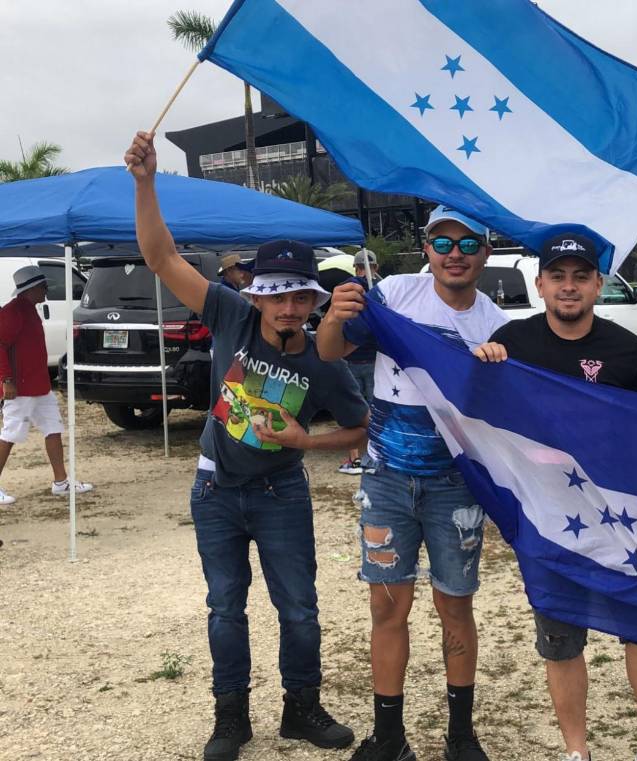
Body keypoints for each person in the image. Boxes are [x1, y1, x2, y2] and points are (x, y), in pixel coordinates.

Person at [126, 131, 369, 761]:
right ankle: (230, 717)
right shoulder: (229, 314)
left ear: (313, 300)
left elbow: (364, 429)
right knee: (225, 610)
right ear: (256, 294)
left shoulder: (324, 355)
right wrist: (145, 183)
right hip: (214, 489)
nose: (289, 306)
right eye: (277, 293)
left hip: (280, 491)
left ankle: (302, 709)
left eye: (301, 295)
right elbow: (160, 257)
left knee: (300, 610)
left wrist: (305, 440)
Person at [316, 206, 508, 761]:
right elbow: (333, 351)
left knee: (454, 609)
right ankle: (389, 737)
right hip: (386, 481)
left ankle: (460, 736)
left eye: (468, 245)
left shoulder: (495, 320)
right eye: (442, 243)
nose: (455, 254)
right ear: (426, 249)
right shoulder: (396, 293)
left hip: (456, 484)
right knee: (387, 608)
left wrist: (497, 363)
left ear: (485, 255)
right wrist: (333, 317)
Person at [471, 233, 637, 761]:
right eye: (557, 276)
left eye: (580, 276)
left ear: (598, 284)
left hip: (621, 516)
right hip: (549, 518)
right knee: (561, 639)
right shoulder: (509, 343)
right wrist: (482, 364)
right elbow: (477, 410)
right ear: (539, 284)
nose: (568, 286)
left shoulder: (629, 351)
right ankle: (575, 752)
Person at [0, 266, 94, 504]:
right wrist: (6, 380)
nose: (46, 291)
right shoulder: (13, 313)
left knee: (53, 428)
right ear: (31, 288)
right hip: (20, 388)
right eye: (43, 287)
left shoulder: (28, 309)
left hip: (39, 385)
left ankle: (61, 481)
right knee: (10, 434)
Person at [339, 249, 381, 476]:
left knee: (351, 410)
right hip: (376, 359)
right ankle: (377, 455)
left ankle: (354, 458)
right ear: (376, 266)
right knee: (377, 410)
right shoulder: (384, 289)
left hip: (352, 358)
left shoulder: (347, 288)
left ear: (356, 267)